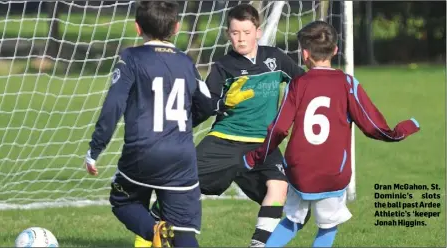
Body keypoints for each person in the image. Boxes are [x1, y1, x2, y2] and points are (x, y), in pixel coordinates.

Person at [139, 3, 306, 247]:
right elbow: (205, 106)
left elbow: (305, 84)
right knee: (182, 185)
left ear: (258, 32)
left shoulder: (275, 59)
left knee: (280, 188)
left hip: (263, 144)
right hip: (225, 139)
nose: (241, 39)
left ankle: (259, 244)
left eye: (246, 33)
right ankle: (152, 225)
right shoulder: (223, 67)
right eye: (235, 33)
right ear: (228, 34)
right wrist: (218, 105)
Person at [243, 20, 421, 247]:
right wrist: (401, 130)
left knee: (292, 221)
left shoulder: (297, 84)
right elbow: (372, 127)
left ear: (304, 53)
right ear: (336, 50)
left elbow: (279, 128)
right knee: (327, 226)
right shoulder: (347, 83)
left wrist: (254, 157)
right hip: (333, 171)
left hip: (299, 171)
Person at [84, 1, 213, 247]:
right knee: (184, 232)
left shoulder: (131, 57)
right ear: (176, 28)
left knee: (123, 201)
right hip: (181, 157)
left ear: (137, 27)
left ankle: (155, 229)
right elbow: (207, 104)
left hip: (143, 153)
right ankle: (165, 232)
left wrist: (94, 150)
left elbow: (113, 106)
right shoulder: (186, 62)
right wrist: (181, 125)